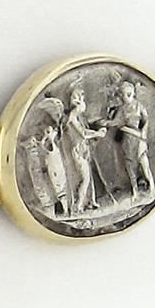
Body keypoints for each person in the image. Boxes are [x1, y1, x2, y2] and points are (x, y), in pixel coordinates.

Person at [107, 80, 155, 201]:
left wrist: (143, 132)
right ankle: (135, 191)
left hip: (139, 139)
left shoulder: (139, 106)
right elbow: (115, 123)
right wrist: (103, 122)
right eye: (124, 94)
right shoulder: (122, 109)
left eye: (129, 93)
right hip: (128, 141)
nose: (126, 96)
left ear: (133, 93)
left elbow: (146, 120)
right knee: (130, 167)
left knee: (144, 164)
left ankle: (152, 188)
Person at [64, 85, 106, 214]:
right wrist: (98, 134)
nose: (82, 102)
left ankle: (91, 201)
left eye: (82, 98)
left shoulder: (78, 117)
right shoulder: (72, 117)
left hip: (83, 149)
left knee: (89, 177)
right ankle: (78, 205)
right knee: (85, 178)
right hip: (77, 150)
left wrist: (97, 132)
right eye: (79, 99)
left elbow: (85, 131)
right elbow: (82, 134)